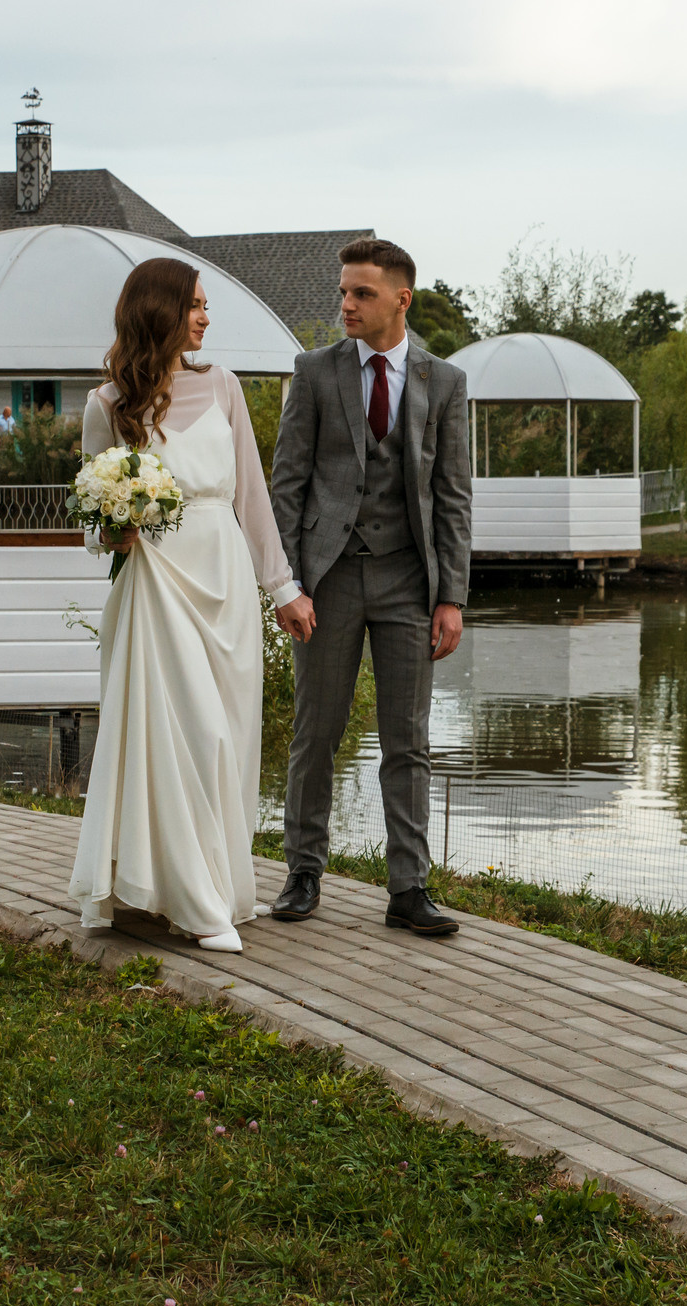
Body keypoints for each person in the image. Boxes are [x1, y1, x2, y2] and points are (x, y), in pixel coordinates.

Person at [66, 259, 300, 954]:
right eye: (195, 305)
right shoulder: (107, 404)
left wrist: (282, 589)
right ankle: (195, 904)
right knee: (184, 731)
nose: (205, 317)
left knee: (226, 737)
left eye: (206, 306)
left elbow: (252, 497)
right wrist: (113, 526)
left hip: (222, 573)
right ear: (159, 311)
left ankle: (215, 885)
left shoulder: (223, 385)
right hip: (156, 578)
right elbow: (89, 523)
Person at [266, 237, 474, 938]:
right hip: (329, 578)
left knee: (408, 741)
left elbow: (453, 496)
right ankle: (303, 871)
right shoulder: (315, 372)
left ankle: (408, 887)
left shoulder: (443, 382)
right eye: (344, 292)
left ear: (400, 299)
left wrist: (453, 595)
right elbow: (287, 486)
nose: (346, 305)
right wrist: (287, 582)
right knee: (316, 732)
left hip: (409, 581)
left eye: (362, 293)